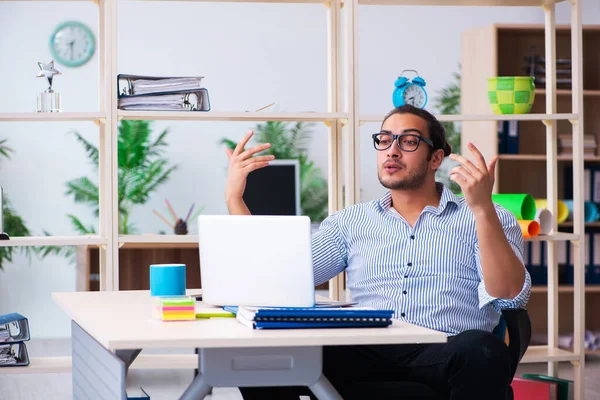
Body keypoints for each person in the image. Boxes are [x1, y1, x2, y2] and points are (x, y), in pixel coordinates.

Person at [224, 105, 531, 400]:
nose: (392, 150)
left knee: (482, 348)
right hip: (365, 348)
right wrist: (235, 199)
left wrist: (481, 209)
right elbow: (276, 278)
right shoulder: (351, 221)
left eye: (408, 141)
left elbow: (508, 295)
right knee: (262, 352)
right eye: (384, 140)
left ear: (436, 158)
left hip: (446, 350)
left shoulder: (488, 216)